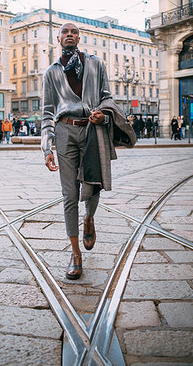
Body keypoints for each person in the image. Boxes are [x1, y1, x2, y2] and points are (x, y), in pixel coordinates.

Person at [41, 22, 136, 280]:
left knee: (93, 185)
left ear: (79, 37)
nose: (69, 35)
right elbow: (47, 111)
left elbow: (107, 97)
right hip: (64, 131)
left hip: (93, 130)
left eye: (73, 32)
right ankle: (75, 253)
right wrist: (46, 146)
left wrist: (103, 116)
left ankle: (89, 217)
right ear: (58, 39)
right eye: (64, 32)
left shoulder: (96, 64)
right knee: (69, 193)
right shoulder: (51, 72)